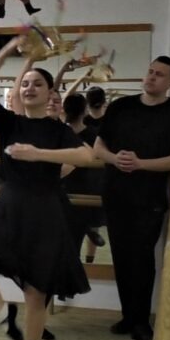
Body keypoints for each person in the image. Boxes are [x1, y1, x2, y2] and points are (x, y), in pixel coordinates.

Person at [0, 37, 91, 340]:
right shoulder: (9, 122)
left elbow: (86, 156)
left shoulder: (57, 130)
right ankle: (2, 311)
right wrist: (7, 50)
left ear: (50, 93)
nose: (29, 88)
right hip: (8, 208)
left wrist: (38, 154)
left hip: (44, 213)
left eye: (37, 84)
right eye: (25, 83)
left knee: (36, 294)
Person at [93, 56, 170, 340]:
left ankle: (141, 321)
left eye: (159, 74)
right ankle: (128, 317)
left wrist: (140, 164)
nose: (151, 77)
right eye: (150, 71)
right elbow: (98, 147)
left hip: (149, 198)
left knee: (141, 258)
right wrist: (115, 159)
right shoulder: (120, 107)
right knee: (121, 257)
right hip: (115, 194)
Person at [60, 93, 105, 262]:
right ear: (85, 110)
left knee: (68, 235)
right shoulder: (94, 135)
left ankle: (76, 263)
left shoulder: (61, 132)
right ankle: (88, 261)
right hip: (88, 187)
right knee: (80, 229)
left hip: (66, 186)